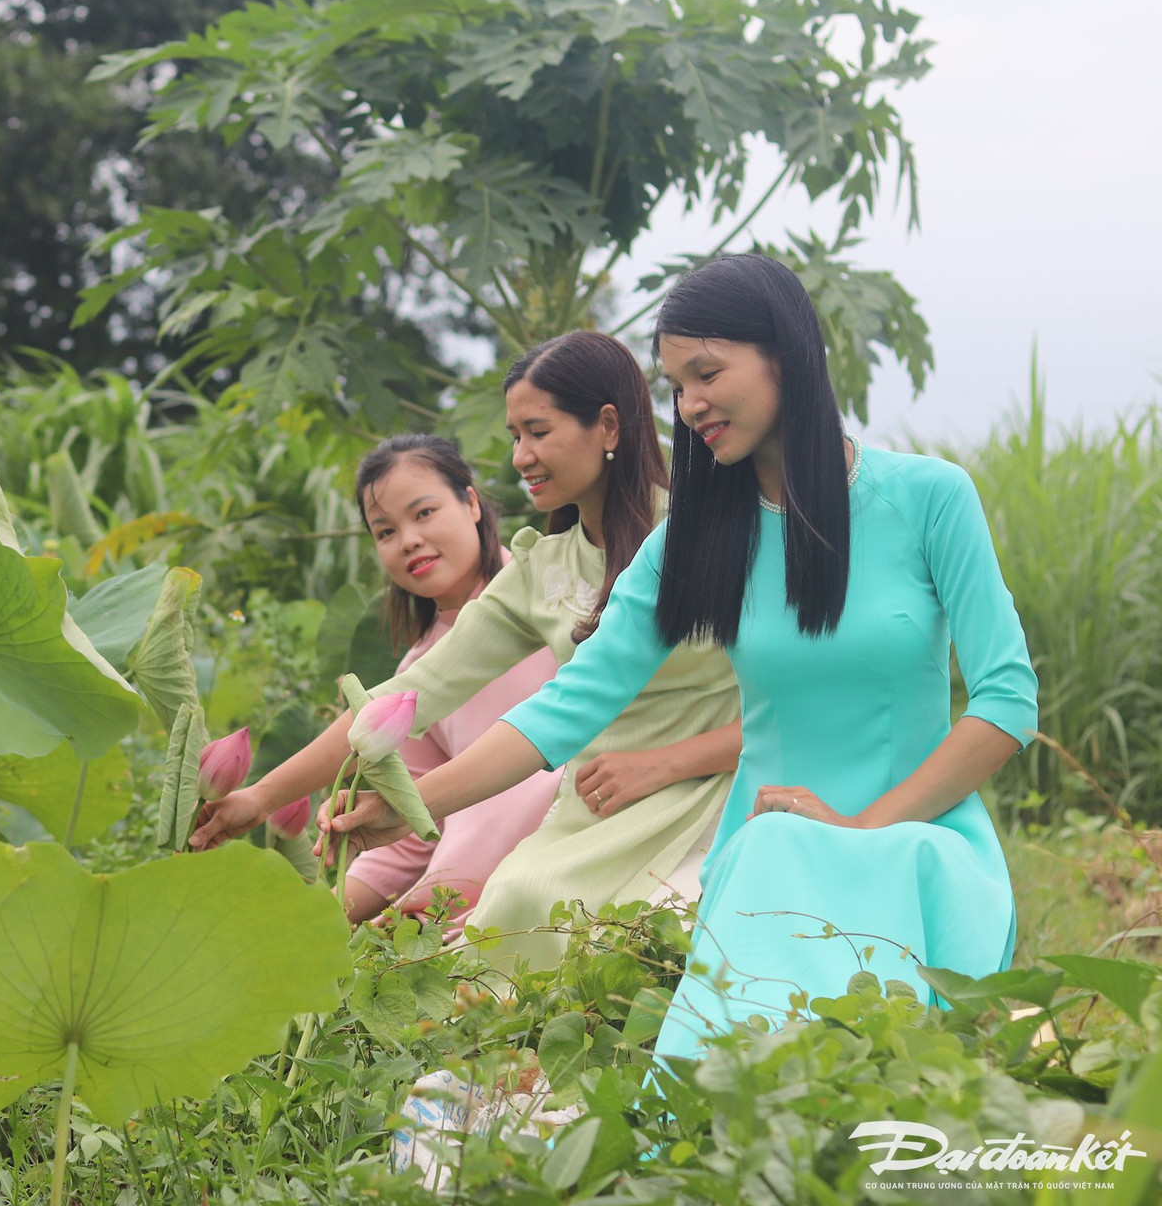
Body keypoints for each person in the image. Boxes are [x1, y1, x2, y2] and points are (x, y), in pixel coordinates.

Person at [318, 254, 1038, 1061]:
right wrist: (415, 803)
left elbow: (1007, 700)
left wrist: (863, 830)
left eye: (707, 373)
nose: (690, 406)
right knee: (739, 1087)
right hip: (766, 851)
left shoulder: (929, 498)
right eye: (676, 385)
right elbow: (569, 705)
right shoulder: (690, 543)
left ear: (786, 355)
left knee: (870, 1074)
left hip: (921, 845)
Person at [195, 331, 744, 972]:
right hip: (596, 811)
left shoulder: (708, 540)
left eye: (537, 432)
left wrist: (666, 763)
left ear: (607, 425)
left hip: (715, 792)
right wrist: (257, 798)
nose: (520, 456)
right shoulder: (543, 570)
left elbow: (796, 699)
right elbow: (407, 697)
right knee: (511, 914)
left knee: (653, 938)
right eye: (515, 436)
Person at [340, 434, 562, 923]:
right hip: (460, 906)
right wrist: (317, 915)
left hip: (575, 860)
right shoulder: (412, 682)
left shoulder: (558, 590)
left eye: (423, 513)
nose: (409, 540)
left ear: (471, 502)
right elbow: (410, 835)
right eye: (385, 532)